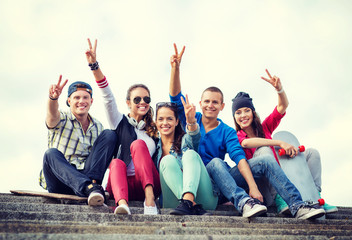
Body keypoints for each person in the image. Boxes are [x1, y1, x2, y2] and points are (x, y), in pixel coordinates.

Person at [168, 43, 326, 220]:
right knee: (215, 163)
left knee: (264, 159)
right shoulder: (191, 117)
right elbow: (175, 97)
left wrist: (253, 186)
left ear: (222, 106)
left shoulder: (227, 131)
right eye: (206, 101)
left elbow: (239, 158)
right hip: (203, 184)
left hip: (222, 184)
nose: (210, 105)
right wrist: (175, 68)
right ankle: (243, 202)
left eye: (215, 102)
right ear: (201, 103)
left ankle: (298, 205)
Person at [232, 69, 338, 214]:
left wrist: (279, 89)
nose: (243, 115)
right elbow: (245, 144)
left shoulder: (265, 128)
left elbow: (282, 107)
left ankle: (314, 196)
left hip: (283, 177)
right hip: (264, 186)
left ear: (253, 112)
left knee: (312, 153)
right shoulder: (236, 135)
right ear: (234, 117)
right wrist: (279, 143)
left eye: (246, 110)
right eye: (238, 113)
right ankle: (280, 199)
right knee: (264, 151)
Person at [85, 39, 161, 215]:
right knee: (116, 162)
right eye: (137, 99)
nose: (142, 102)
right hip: (122, 185)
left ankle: (150, 202)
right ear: (128, 103)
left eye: (146, 99)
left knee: (138, 145)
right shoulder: (120, 122)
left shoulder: (154, 130)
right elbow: (107, 97)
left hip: (147, 186)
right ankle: (122, 205)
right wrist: (94, 66)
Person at [40, 76, 117, 206]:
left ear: (91, 101)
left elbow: (101, 158)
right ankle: (89, 188)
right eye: (76, 98)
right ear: (69, 101)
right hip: (60, 180)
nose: (81, 101)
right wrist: (53, 98)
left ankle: (91, 187)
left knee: (109, 134)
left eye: (85, 97)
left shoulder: (97, 126)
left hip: (87, 176)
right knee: (50, 154)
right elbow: (52, 115)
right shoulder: (62, 118)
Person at [155, 96, 218, 215]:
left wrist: (191, 121)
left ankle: (188, 200)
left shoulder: (185, 141)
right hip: (174, 202)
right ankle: (189, 204)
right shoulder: (153, 147)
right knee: (167, 160)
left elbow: (194, 136)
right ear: (156, 122)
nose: (165, 123)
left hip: (203, 199)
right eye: (161, 119)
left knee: (190, 154)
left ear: (177, 121)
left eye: (169, 119)